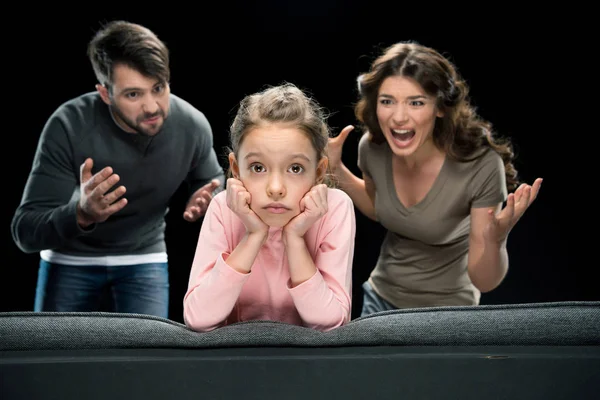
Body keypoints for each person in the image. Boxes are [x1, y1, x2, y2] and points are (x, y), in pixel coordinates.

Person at [10, 20, 225, 319]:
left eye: (158, 88)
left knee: (147, 362)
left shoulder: (192, 124)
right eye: (134, 95)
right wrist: (81, 213)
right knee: (55, 362)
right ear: (105, 93)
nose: (152, 107)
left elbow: (213, 181)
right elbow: (25, 232)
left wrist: (210, 196)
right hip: (71, 260)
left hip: (143, 257)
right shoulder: (68, 125)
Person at [328, 41, 543, 316]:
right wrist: (336, 170)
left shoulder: (481, 165)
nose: (399, 117)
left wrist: (495, 240)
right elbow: (378, 207)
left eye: (416, 102)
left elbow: (484, 281)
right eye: (387, 101)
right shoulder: (372, 147)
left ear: (440, 107)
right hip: (380, 300)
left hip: (449, 313)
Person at [183, 83, 356, 332]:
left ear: (318, 172)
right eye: (258, 168)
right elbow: (198, 319)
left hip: (311, 364)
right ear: (236, 169)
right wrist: (255, 234)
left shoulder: (335, 208)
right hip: (236, 361)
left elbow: (330, 323)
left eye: (295, 168)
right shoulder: (224, 207)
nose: (275, 188)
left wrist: (294, 238)